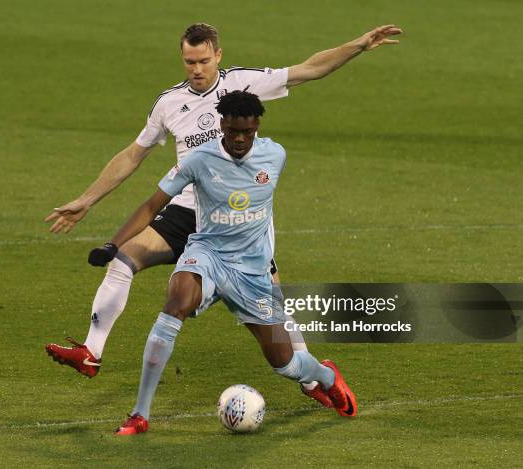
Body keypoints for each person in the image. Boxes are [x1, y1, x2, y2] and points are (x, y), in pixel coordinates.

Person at [45, 23, 402, 382]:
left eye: (203, 60)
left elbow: (309, 69)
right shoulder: (169, 103)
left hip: (236, 215)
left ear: (218, 54)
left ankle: (313, 377)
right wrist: (86, 199)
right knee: (123, 261)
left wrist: (358, 45)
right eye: (189, 62)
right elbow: (133, 155)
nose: (197, 69)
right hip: (185, 209)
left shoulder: (242, 84)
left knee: (271, 302)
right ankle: (91, 352)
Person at [89, 91, 357, 435]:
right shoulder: (198, 160)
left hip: (252, 272)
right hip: (208, 255)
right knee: (176, 303)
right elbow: (151, 205)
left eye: (246, 132)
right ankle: (140, 414)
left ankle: (327, 376)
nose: (240, 140)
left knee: (288, 365)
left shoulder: (275, 155)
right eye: (233, 132)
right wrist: (114, 244)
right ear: (222, 126)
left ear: (256, 125)